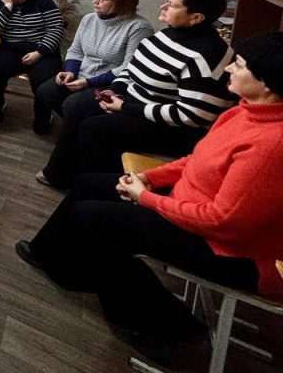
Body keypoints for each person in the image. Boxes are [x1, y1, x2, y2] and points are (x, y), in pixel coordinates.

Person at [15, 31, 283, 367]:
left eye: (239, 65)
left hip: (230, 251)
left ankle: (175, 331)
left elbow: (223, 221)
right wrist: (149, 179)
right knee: (87, 184)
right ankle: (52, 258)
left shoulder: (272, 145)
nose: (229, 69)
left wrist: (145, 198)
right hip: (191, 207)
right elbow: (196, 160)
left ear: (267, 84)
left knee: (95, 221)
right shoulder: (242, 112)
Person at [73, 0, 235, 179]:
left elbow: (192, 116)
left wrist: (125, 108)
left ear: (196, 18)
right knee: (78, 106)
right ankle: (62, 174)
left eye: (172, 5)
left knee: (94, 129)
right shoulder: (166, 34)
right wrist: (116, 89)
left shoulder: (205, 56)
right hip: (136, 104)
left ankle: (101, 184)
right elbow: (132, 68)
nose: (163, 7)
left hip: (174, 129)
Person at [34, 0, 153, 182]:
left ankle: (58, 170)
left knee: (73, 105)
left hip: (111, 83)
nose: (95, 1)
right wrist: (70, 72)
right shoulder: (89, 19)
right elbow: (75, 50)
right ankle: (77, 132)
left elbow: (128, 67)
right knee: (46, 91)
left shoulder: (138, 27)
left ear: (122, 2)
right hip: (81, 75)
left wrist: (88, 83)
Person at [0, 0, 64, 129]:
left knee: (42, 81)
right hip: (10, 48)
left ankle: (42, 118)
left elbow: (56, 29)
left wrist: (39, 52)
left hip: (42, 50)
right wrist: (7, 6)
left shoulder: (43, 1)